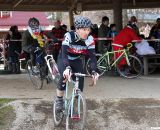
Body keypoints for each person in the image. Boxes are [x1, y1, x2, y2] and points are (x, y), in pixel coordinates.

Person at [55, 16, 99, 111]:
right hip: (64, 58)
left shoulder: (90, 39)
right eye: (84, 29)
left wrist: (94, 71)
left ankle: (75, 101)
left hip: (76, 59)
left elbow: (92, 57)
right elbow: (64, 54)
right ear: (77, 29)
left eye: (88, 29)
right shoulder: (69, 36)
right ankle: (59, 100)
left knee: (80, 80)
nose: (87, 32)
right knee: (64, 76)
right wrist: (67, 68)